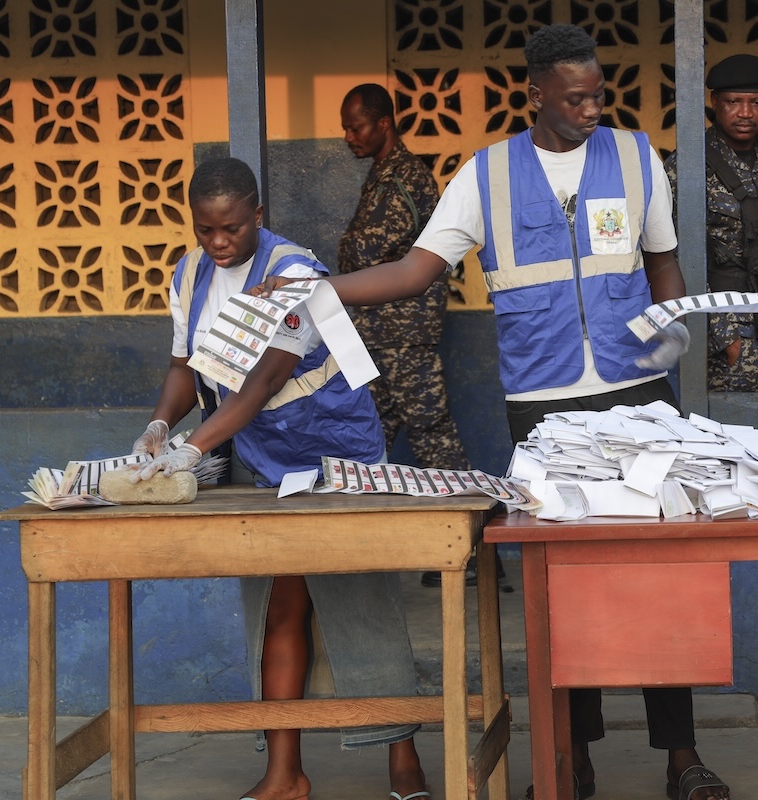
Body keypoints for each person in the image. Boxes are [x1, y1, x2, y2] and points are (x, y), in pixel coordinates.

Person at [257, 24, 729, 800]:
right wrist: (322, 290)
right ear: (535, 93)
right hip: (543, 409)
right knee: (566, 592)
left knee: (658, 580)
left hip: (642, 399)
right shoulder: (486, 177)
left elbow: (663, 262)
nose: (590, 108)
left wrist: (674, 329)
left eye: (597, 93)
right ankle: (574, 758)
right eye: (574, 97)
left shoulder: (640, 157)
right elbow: (416, 268)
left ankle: (682, 757)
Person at [130, 157, 428, 800]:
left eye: (231, 229)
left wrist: (188, 450)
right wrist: (158, 426)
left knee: (361, 604)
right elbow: (187, 368)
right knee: (277, 604)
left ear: (257, 216)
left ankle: (403, 757)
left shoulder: (293, 272)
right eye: (205, 230)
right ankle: (285, 773)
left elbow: (259, 384)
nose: (218, 242)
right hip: (261, 460)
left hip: (331, 451)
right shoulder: (187, 275)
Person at [338, 83, 491, 590]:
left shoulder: (405, 176)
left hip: (403, 332)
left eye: (356, 126)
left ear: (384, 123)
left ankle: (469, 552)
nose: (348, 136)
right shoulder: (383, 175)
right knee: (369, 433)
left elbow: (373, 252)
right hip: (380, 332)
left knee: (432, 435)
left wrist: (339, 263)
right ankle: (360, 549)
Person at [663, 53, 758, 392]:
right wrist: (724, 338)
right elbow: (675, 260)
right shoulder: (686, 165)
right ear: (714, 102)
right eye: (734, 102)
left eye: (756, 102)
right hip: (733, 326)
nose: (746, 113)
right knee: (736, 432)